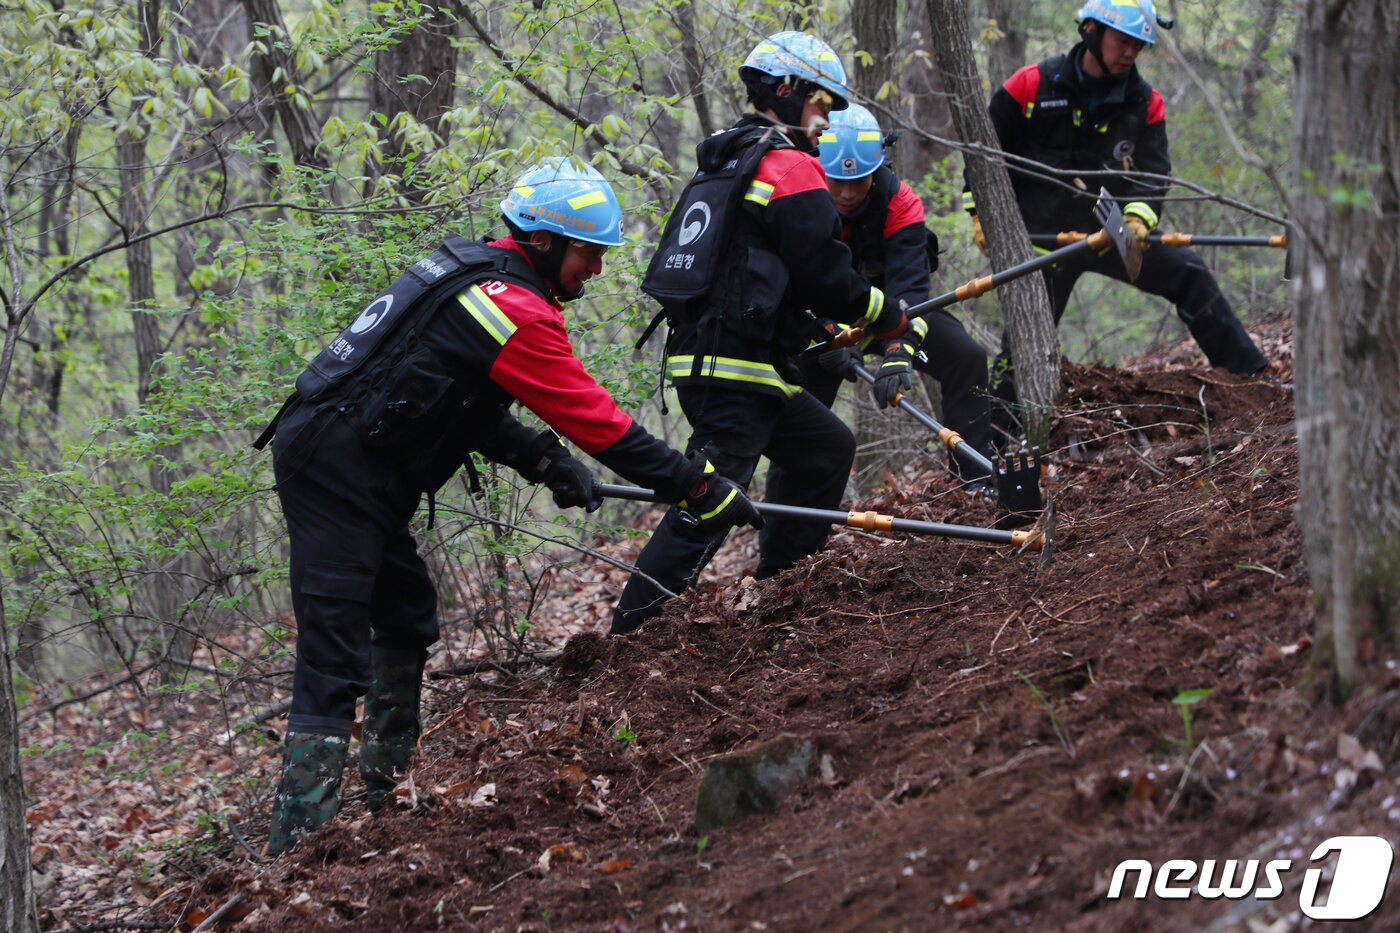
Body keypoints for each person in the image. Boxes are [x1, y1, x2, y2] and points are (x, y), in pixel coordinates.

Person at [255, 158, 760, 854]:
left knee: (406, 615)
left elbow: (453, 402)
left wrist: (544, 460)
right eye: (589, 253)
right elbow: (604, 426)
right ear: (544, 241)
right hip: (332, 471)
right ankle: (298, 846)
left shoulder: (477, 276)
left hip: (354, 465)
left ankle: (386, 795)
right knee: (332, 658)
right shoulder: (511, 308)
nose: (597, 269)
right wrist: (698, 486)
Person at [612, 32, 910, 635]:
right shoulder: (789, 166)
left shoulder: (730, 158)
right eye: (823, 103)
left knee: (825, 448)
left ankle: (783, 586)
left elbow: (766, 268)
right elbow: (825, 274)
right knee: (709, 503)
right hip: (734, 370)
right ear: (787, 91)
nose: (827, 120)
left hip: (728, 362)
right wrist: (884, 315)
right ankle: (628, 638)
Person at [966, 0, 1268, 423]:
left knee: (1189, 271)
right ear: (1092, 31)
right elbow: (984, 157)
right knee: (1024, 342)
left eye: (1138, 45)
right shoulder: (1029, 85)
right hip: (1043, 244)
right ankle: (995, 440)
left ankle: (1254, 381)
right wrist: (981, 215)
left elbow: (1153, 173)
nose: (1130, 53)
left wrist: (1138, 220)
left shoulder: (1146, 102)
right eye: (1123, 41)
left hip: (1111, 235)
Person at [803, 102, 995, 485]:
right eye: (837, 181)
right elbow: (795, 283)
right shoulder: (801, 201)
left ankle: (975, 484)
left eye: (859, 181)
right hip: (821, 326)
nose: (846, 193)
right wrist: (828, 333)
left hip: (889, 315)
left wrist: (899, 348)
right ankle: (784, 510)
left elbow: (911, 287)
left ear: (876, 170)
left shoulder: (900, 201)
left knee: (966, 358)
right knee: (800, 402)